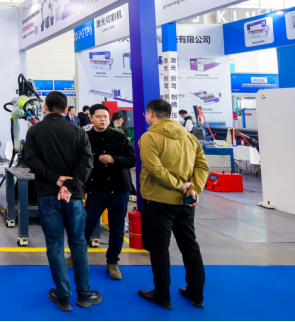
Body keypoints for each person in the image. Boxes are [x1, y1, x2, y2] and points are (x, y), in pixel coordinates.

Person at [23, 91, 99, 312]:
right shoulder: (78, 131)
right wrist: (70, 185)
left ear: (45, 107)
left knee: (55, 246)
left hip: (48, 195)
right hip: (73, 196)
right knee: (78, 244)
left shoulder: (34, 130)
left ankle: (63, 296)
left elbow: (31, 159)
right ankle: (84, 294)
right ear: (66, 109)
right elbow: (87, 161)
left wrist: (55, 179)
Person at [138, 98, 209, 311]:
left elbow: (155, 169)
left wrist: (180, 186)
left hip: (159, 201)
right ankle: (196, 294)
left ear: (150, 114)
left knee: (159, 248)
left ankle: (162, 295)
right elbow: (202, 165)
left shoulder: (149, 137)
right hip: (186, 201)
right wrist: (193, 188)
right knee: (190, 246)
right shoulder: (190, 136)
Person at [81, 104, 136, 280]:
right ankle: (77, 257)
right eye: (98, 116)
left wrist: (114, 159)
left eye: (105, 116)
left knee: (117, 228)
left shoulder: (120, 137)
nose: (103, 119)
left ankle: (112, 262)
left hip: (119, 190)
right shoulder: (85, 138)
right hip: (96, 191)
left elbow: (132, 160)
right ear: (91, 118)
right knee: (84, 226)